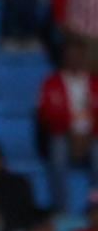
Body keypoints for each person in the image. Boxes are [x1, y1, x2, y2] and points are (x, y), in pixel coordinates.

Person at [38, 39, 98, 215]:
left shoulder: (95, 83)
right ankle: (61, 208)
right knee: (58, 149)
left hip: (92, 137)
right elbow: (45, 115)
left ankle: (95, 206)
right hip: (63, 135)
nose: (75, 60)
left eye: (78, 56)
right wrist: (69, 131)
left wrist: (89, 134)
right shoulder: (51, 84)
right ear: (64, 58)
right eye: (71, 56)